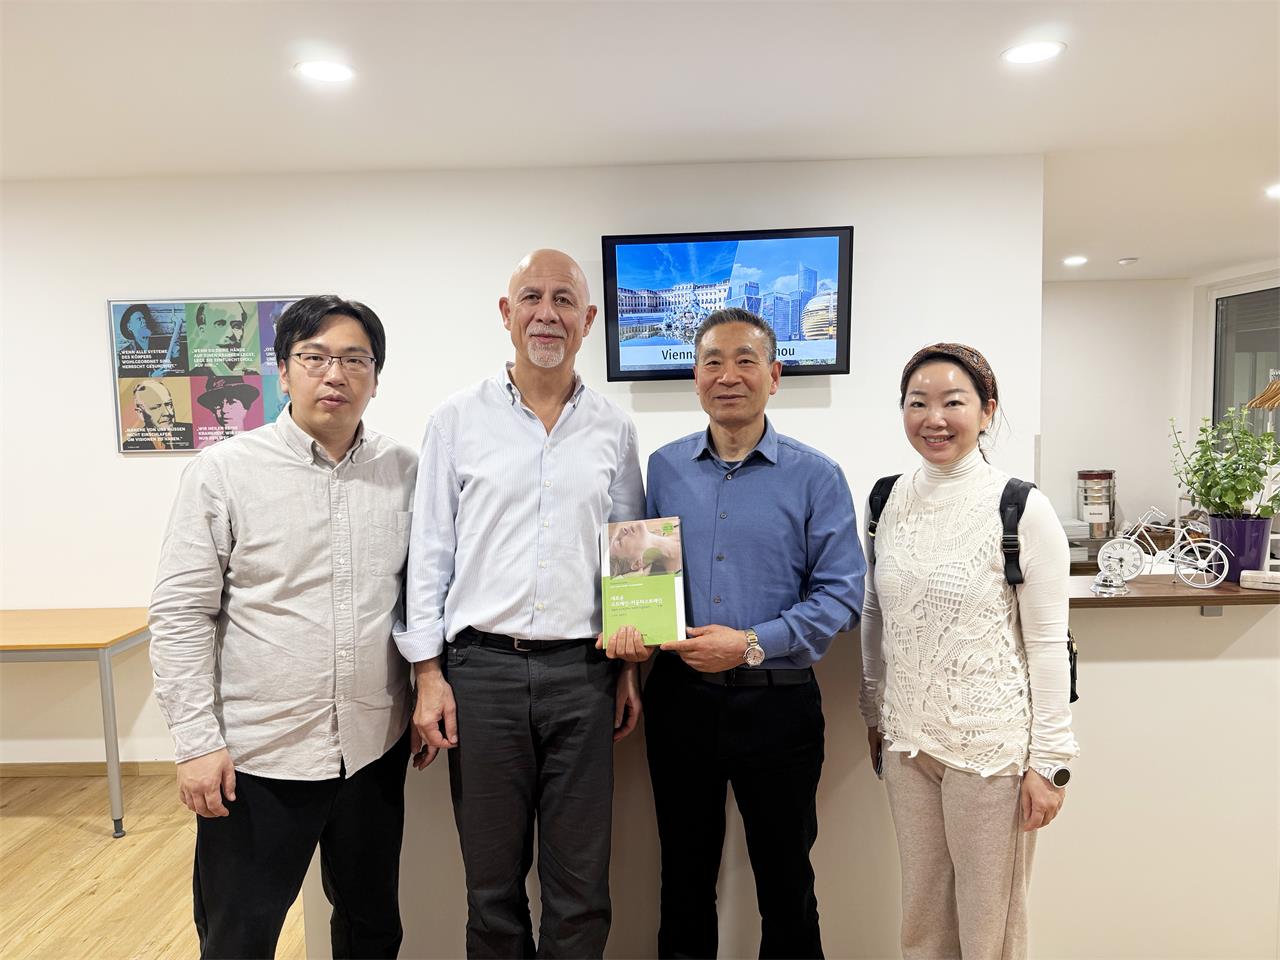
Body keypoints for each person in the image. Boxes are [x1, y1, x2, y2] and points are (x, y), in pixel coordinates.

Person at [149, 294, 417, 960]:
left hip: (371, 749)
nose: (335, 375)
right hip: (257, 757)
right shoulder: (224, 472)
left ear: (376, 377)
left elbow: (419, 597)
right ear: (283, 370)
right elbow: (181, 613)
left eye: (355, 360)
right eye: (314, 357)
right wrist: (195, 742)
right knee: (240, 937)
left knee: (372, 928)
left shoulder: (405, 472)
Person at [397, 248, 645, 959]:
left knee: (581, 888)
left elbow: (629, 553)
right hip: (481, 676)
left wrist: (630, 669)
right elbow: (430, 550)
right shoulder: (456, 420)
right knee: (491, 887)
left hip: (584, 675)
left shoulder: (614, 428)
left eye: (564, 300)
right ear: (507, 314)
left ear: (587, 320)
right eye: (531, 297)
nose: (547, 313)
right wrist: (427, 674)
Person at [609, 307, 864, 959]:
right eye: (713, 362)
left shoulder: (816, 475)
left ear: (774, 376)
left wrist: (750, 643)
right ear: (695, 378)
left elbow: (842, 595)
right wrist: (633, 638)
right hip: (681, 703)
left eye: (746, 361)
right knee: (683, 880)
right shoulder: (664, 468)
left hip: (779, 706)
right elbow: (643, 579)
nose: (729, 376)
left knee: (786, 881)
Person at [859, 342, 1078, 960]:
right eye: (917, 403)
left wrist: (1050, 762)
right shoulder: (885, 499)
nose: (934, 418)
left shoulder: (1021, 507)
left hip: (991, 750)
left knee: (989, 928)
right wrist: (873, 709)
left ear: (987, 411)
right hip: (908, 742)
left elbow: (1048, 643)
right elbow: (876, 613)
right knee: (922, 918)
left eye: (953, 402)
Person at [189, 301, 259, 376]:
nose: (230, 334)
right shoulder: (195, 375)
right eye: (220, 324)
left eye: (237, 326)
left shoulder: (253, 375)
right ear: (203, 331)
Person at [121, 379, 193, 451]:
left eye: (168, 404)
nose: (167, 413)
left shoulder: (192, 432)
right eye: (155, 407)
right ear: (140, 413)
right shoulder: (129, 447)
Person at [607, 519, 682, 577]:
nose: (622, 530)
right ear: (637, 564)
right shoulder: (680, 579)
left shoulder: (673, 523)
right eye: (619, 542)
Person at [196, 374, 259, 438]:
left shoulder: (256, 440)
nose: (224, 410)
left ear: (246, 407)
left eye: (232, 403)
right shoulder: (209, 443)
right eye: (217, 406)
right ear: (213, 412)